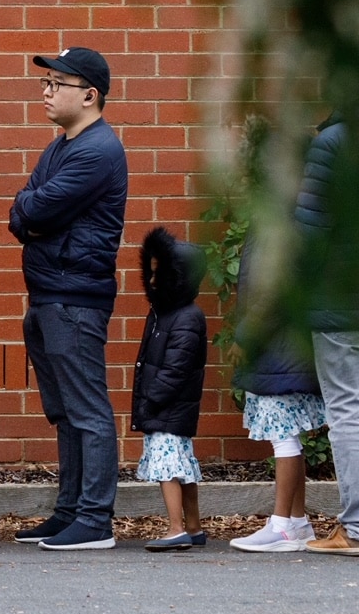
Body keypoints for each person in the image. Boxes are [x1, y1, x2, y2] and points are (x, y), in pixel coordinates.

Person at [9, 46, 129, 551]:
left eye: (56, 83)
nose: (46, 91)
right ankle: (69, 512)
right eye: (45, 82)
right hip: (48, 295)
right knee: (64, 410)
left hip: (74, 298)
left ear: (90, 94)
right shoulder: (61, 147)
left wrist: (29, 209)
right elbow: (22, 213)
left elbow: (35, 208)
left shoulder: (97, 151)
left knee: (87, 410)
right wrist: (28, 209)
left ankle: (95, 520)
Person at [228, 237, 325, 552]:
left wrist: (246, 335)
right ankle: (297, 522)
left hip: (276, 347)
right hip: (284, 345)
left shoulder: (280, 217)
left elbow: (275, 289)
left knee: (283, 437)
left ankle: (282, 525)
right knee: (289, 435)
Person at [296, 114, 359, 555]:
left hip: (341, 304)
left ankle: (356, 528)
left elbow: (308, 234)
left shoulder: (335, 142)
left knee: (348, 411)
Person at [130, 227, 208, 551]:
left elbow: (177, 369)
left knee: (168, 469)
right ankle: (194, 526)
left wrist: (151, 401)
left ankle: (176, 528)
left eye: (157, 277)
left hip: (168, 409)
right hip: (168, 408)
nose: (150, 282)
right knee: (183, 469)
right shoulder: (164, 313)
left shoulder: (186, 318)